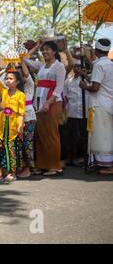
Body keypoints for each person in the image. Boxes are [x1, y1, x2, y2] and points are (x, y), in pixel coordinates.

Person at [25, 40, 66, 176]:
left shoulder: (59, 66)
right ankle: (42, 165)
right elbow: (23, 58)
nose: (44, 52)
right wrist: (36, 47)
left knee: (51, 134)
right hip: (40, 103)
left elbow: (59, 87)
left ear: (54, 51)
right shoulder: (41, 66)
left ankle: (54, 165)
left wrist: (49, 102)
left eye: (47, 49)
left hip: (53, 103)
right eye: (43, 50)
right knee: (41, 134)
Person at [79, 38, 113, 175]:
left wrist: (84, 86)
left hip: (99, 105)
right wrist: (85, 76)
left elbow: (95, 87)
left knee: (101, 136)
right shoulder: (109, 64)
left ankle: (108, 166)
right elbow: (98, 82)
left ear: (96, 50)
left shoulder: (99, 66)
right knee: (105, 135)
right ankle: (102, 164)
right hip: (107, 104)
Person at [0, 66, 26, 183]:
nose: (8, 80)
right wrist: (4, 70)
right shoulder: (4, 91)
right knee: (0, 147)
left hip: (13, 125)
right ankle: (0, 171)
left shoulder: (21, 95)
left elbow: (21, 113)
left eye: (11, 79)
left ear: (17, 82)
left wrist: (20, 126)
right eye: (6, 78)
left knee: (11, 148)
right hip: (2, 124)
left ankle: (12, 172)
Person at [63, 59, 88, 167]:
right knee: (71, 137)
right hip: (72, 113)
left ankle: (84, 158)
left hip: (85, 113)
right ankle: (72, 158)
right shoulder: (68, 81)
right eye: (75, 66)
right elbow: (64, 97)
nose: (76, 68)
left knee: (83, 136)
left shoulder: (87, 80)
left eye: (79, 66)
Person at [16, 58, 37, 178]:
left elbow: (26, 73)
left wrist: (21, 59)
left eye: (21, 70)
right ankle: (24, 166)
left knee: (27, 143)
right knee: (20, 143)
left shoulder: (29, 84)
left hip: (28, 116)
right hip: (17, 117)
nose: (19, 72)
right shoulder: (16, 87)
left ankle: (28, 168)